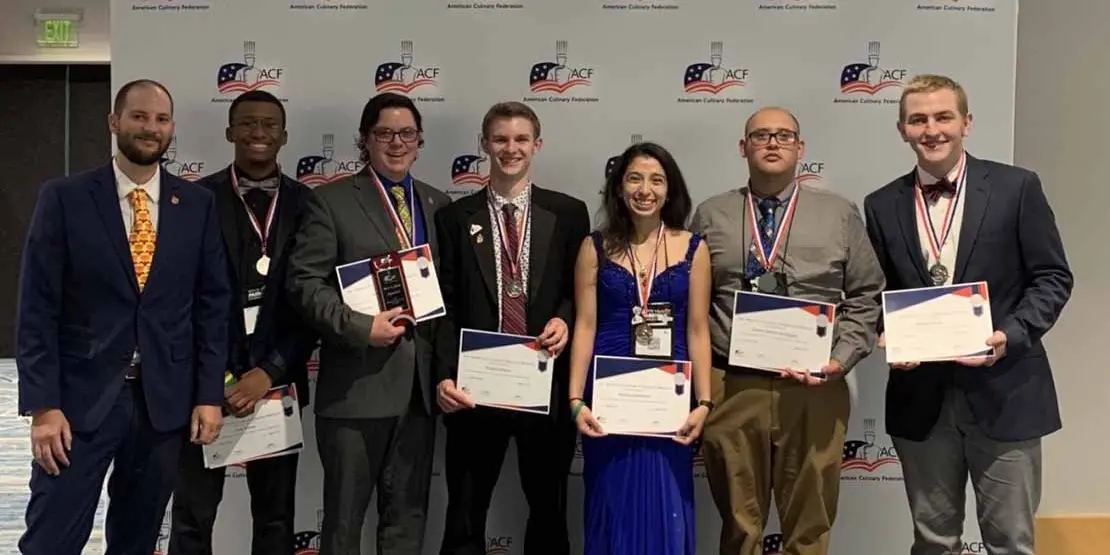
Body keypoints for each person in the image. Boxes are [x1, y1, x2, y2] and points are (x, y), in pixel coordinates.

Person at [15, 79, 230, 555]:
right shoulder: (64, 198)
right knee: (51, 540)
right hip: (78, 404)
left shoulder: (196, 206)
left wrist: (209, 395)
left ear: (171, 128)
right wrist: (43, 406)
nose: (150, 128)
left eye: (160, 119)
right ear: (114, 122)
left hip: (163, 406)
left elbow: (213, 306)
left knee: (136, 540)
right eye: (138, 116)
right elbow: (36, 308)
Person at [864, 74, 1074, 555]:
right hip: (922, 399)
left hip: (1006, 391)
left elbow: (1053, 277)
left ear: (967, 123)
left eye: (943, 117)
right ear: (902, 130)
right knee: (933, 542)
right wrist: (886, 332)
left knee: (1011, 542)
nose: (931, 130)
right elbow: (878, 292)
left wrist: (1010, 334)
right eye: (918, 119)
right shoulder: (881, 204)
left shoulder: (1016, 187)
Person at [691, 106, 886, 555]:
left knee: (811, 522)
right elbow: (694, 302)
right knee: (740, 523)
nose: (773, 143)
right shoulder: (711, 214)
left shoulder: (838, 213)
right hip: (733, 386)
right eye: (761, 136)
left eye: (784, 135)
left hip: (815, 388)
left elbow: (866, 294)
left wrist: (841, 358)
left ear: (801, 148)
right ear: (744, 148)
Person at [285, 92, 450, 555]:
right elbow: (304, 283)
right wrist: (360, 327)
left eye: (407, 133)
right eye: (384, 133)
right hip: (355, 392)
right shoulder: (330, 201)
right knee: (343, 526)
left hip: (419, 393)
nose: (396, 143)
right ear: (365, 140)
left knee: (406, 524)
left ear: (419, 141)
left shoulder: (438, 204)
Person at [434, 101, 590, 555]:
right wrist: (443, 375)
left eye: (521, 139)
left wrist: (565, 317)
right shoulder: (453, 218)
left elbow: (578, 290)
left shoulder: (569, 213)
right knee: (464, 514)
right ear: (484, 145)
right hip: (474, 389)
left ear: (537, 145)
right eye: (500, 139)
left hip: (544, 383)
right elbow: (444, 306)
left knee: (548, 510)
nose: (511, 148)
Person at [169, 90, 318, 555]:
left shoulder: (310, 205)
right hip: (205, 391)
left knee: (275, 521)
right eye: (248, 124)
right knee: (192, 519)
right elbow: (179, 300)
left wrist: (268, 372)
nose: (259, 133)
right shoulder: (195, 199)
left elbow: (315, 304)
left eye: (269, 124)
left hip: (276, 387)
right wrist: (220, 380)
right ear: (230, 132)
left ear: (285, 135)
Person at [566, 141, 713, 555]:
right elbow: (585, 324)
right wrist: (576, 399)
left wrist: (705, 402)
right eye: (634, 178)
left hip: (671, 404)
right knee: (610, 506)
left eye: (656, 180)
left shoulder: (694, 248)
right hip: (608, 405)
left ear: (670, 190)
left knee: (668, 506)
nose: (645, 189)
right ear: (618, 187)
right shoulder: (593, 248)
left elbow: (699, 329)